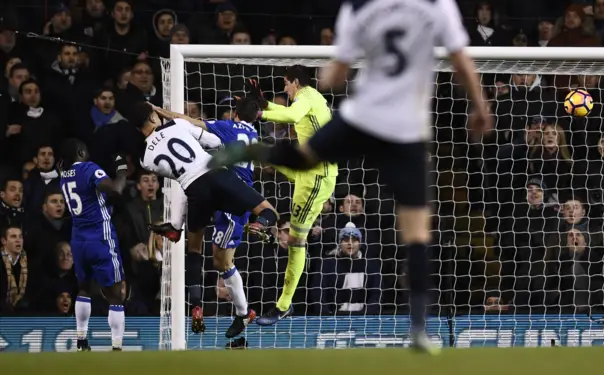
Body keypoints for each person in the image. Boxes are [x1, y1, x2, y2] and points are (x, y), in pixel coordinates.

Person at [208, 0, 491, 352]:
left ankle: (253, 150)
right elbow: (461, 60)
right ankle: (418, 327)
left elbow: (335, 76)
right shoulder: (437, 6)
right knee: (417, 234)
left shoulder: (359, 7)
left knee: (300, 159)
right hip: (405, 128)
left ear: (293, 82)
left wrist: (305, 88)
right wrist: (480, 106)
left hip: (362, 118)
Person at [129, 101, 278, 334]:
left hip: (195, 193)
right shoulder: (178, 124)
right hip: (217, 176)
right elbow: (215, 142)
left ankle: (196, 304)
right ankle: (260, 224)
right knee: (269, 211)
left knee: (194, 250)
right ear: (153, 116)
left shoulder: (144, 159)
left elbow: (176, 171)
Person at [234, 67, 338, 326]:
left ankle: (284, 305)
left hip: (315, 177)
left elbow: (291, 115)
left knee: (295, 239)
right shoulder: (312, 97)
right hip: (309, 170)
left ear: (295, 82)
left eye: (286, 85)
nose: (285, 90)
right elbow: (289, 112)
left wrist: (259, 112)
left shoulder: (306, 97)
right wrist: (264, 104)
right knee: (263, 152)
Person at [58, 138, 128, 351]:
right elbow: (115, 189)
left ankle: (81, 341)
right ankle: (117, 347)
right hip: (100, 236)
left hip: (78, 239)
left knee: (84, 289)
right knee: (115, 294)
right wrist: (122, 169)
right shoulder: (89, 168)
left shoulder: (63, 177)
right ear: (80, 152)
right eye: (86, 150)